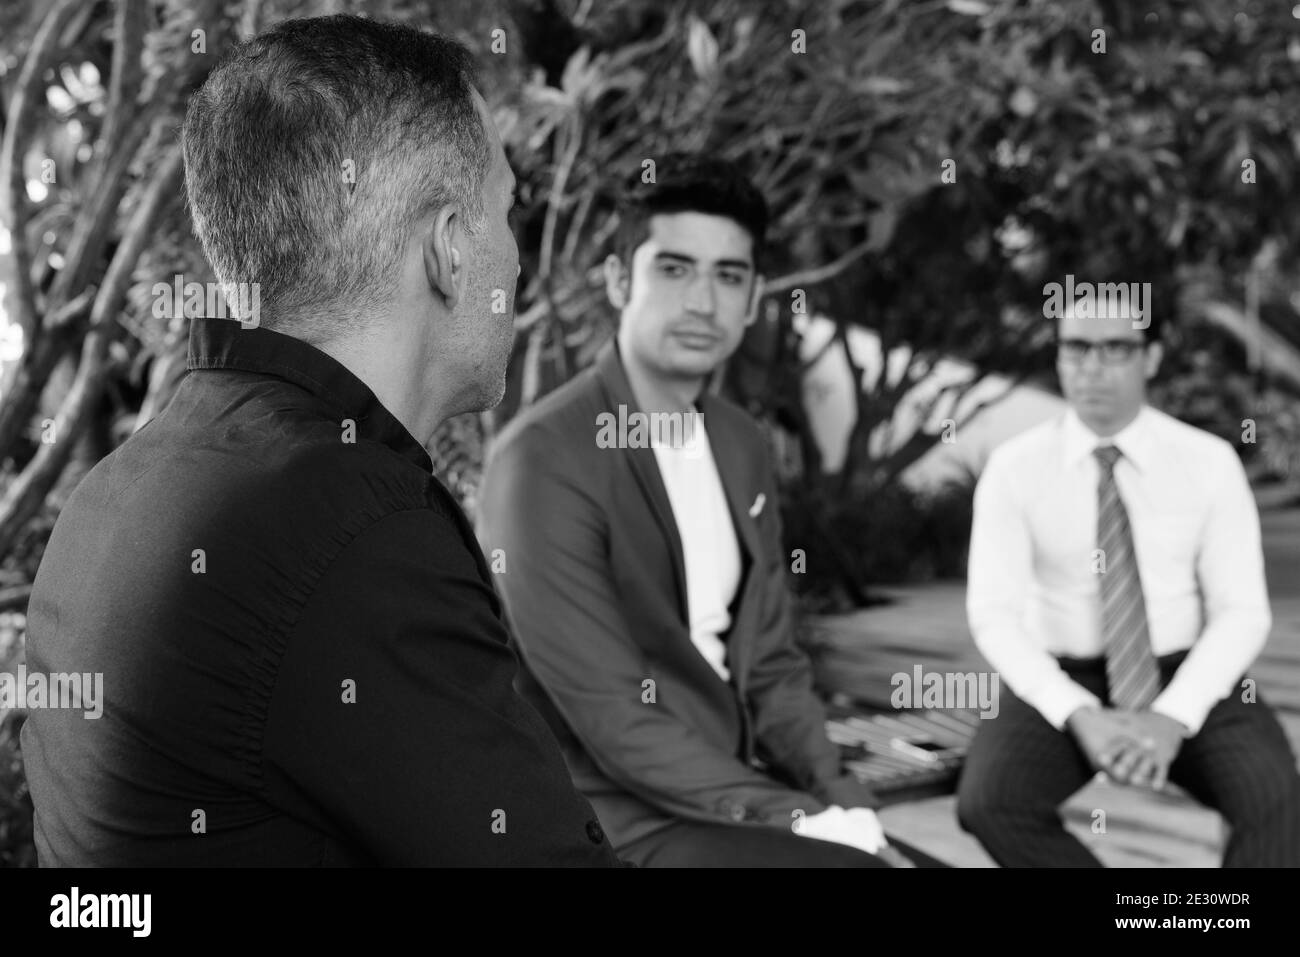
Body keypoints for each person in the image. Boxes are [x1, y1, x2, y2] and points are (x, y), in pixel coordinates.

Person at [21, 14, 620, 867]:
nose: (518, 259)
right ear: (450, 248)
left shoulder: (125, 482)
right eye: (508, 210)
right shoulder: (350, 528)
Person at [478, 154, 942, 867]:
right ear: (617, 279)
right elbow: (612, 714)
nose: (703, 301)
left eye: (729, 276)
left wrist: (843, 795)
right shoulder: (543, 458)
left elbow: (772, 665)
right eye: (674, 268)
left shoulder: (739, 440)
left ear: (754, 297)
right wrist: (800, 815)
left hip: (730, 790)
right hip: (605, 817)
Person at [959, 301, 1300, 866]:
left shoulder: (1208, 462)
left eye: (1117, 349)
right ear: (1060, 357)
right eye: (1077, 348)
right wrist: (1077, 711)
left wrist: (1173, 716)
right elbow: (994, 615)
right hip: (1065, 674)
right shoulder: (1014, 468)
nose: (1094, 367)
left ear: (1152, 358)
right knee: (991, 802)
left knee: (1276, 797)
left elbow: (1242, 612)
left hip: (1183, 670)